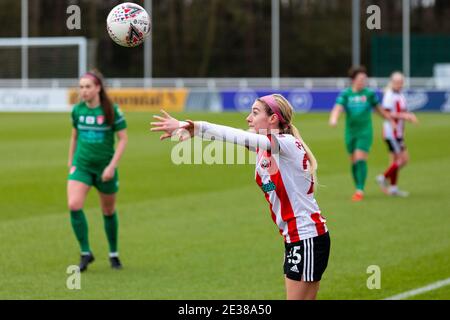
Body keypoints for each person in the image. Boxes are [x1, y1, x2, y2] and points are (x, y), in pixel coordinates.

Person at [151, 94, 330, 300]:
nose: (248, 118)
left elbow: (237, 135)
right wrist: (193, 133)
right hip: (299, 237)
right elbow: (233, 139)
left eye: (255, 113)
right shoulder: (266, 148)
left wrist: (193, 126)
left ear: (273, 119)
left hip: (306, 237)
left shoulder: (285, 143)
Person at [67, 70, 128, 271]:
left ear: (98, 88)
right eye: (81, 87)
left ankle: (113, 253)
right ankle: (86, 252)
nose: (83, 91)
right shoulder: (77, 111)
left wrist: (112, 166)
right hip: (82, 166)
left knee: (108, 210)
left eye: (88, 87)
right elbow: (74, 136)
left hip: (105, 169)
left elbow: (123, 139)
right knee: (74, 204)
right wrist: (71, 162)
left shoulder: (112, 110)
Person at [329, 66, 392, 201]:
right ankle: (357, 186)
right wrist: (333, 119)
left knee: (360, 158)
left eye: (365, 79)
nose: (363, 81)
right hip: (350, 132)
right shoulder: (346, 94)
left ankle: (360, 189)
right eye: (360, 79)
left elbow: (379, 110)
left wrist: (389, 119)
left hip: (365, 132)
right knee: (353, 162)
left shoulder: (369, 94)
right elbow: (338, 108)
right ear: (353, 80)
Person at [376, 71, 418, 197]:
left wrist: (404, 119)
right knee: (403, 160)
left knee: (396, 160)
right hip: (391, 132)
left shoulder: (400, 95)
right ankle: (383, 177)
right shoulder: (389, 95)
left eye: (401, 82)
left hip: (398, 132)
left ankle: (393, 188)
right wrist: (406, 116)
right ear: (392, 82)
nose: (399, 84)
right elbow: (387, 114)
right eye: (397, 82)